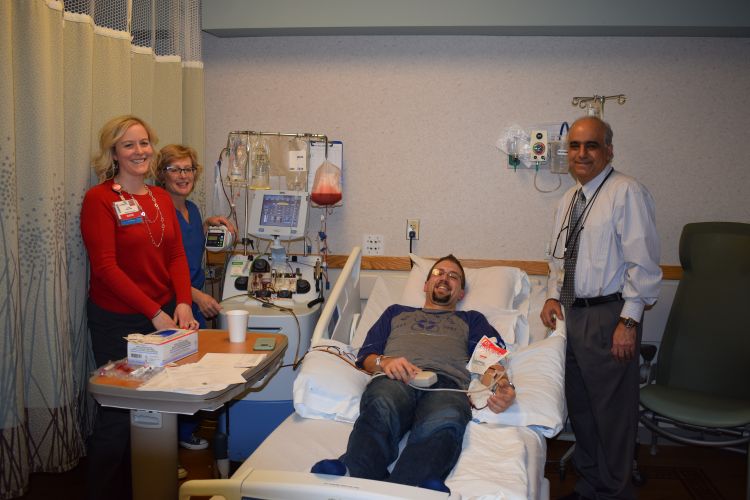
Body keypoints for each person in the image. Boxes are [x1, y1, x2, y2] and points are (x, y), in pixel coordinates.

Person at [311, 255, 517, 493]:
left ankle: (413, 487)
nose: (445, 278)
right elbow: (366, 358)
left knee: (446, 418)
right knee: (381, 407)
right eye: (438, 273)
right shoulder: (395, 313)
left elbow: (490, 363)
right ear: (426, 285)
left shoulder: (471, 319)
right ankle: (353, 474)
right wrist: (384, 362)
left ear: (460, 293)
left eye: (454, 277)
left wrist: (503, 385)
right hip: (395, 377)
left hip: (446, 384)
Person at [540, 116, 661, 500]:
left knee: (612, 414)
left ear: (608, 150)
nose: (581, 154)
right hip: (573, 315)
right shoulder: (568, 200)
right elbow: (558, 260)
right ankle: (590, 482)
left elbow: (642, 264)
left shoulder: (626, 193)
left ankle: (614, 491)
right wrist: (551, 294)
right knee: (582, 410)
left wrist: (629, 320)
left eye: (591, 145)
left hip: (610, 317)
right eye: (574, 146)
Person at [81, 115, 198, 500]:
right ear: (114, 153)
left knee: (158, 406)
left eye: (144, 143)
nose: (139, 151)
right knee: (118, 415)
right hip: (118, 320)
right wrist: (154, 311)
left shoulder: (161, 197)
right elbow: (106, 268)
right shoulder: (101, 199)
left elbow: (176, 255)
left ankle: (144, 485)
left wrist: (181, 301)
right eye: (129, 145)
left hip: (162, 312)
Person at [155, 144, 237, 458]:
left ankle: (184, 433)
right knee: (174, 373)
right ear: (161, 174)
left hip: (193, 297)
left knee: (192, 368)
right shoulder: (160, 211)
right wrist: (196, 295)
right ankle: (166, 445)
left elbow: (187, 242)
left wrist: (206, 225)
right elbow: (162, 268)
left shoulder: (192, 209)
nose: (183, 175)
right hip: (175, 303)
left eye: (188, 169)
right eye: (174, 169)